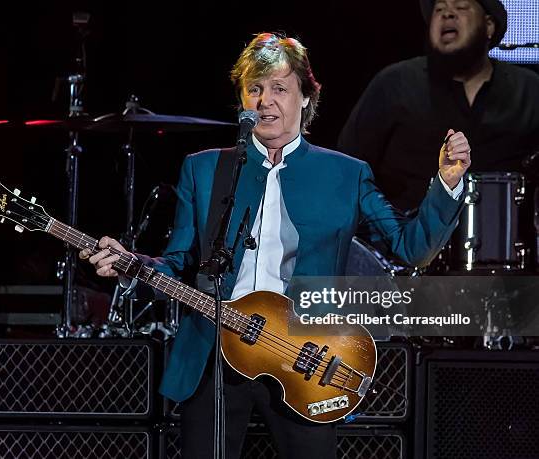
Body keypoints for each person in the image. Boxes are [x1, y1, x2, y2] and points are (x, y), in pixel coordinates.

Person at [80, 32, 470, 459]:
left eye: (280, 88)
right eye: (255, 88)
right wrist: (131, 263)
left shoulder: (346, 174)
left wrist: (447, 186)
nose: (265, 100)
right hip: (216, 351)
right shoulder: (206, 169)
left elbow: (410, 247)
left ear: (306, 97)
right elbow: (180, 262)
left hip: (305, 358)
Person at [338, 0, 539, 213]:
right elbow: (346, 168)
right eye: (439, 9)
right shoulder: (395, 84)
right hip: (406, 239)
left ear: (489, 25)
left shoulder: (529, 89)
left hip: (503, 237)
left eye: (461, 7)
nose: (447, 14)